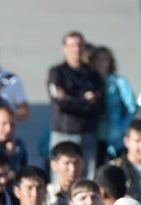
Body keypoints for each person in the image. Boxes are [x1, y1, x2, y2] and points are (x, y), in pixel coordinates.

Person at [47, 32, 102, 178]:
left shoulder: (92, 74)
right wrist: (84, 100)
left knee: (87, 177)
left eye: (79, 45)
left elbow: (98, 104)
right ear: (64, 48)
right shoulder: (57, 73)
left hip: (88, 134)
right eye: (71, 45)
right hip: (64, 133)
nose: (76, 49)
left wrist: (70, 98)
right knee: (60, 177)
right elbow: (60, 103)